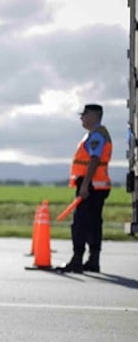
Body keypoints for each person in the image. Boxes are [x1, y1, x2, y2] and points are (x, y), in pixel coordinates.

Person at [59, 103, 112, 273]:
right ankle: (93, 261)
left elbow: (94, 160)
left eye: (84, 115)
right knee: (94, 224)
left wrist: (84, 185)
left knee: (80, 224)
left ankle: (77, 260)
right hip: (97, 185)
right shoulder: (97, 134)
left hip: (91, 186)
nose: (81, 118)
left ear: (93, 116)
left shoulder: (96, 136)